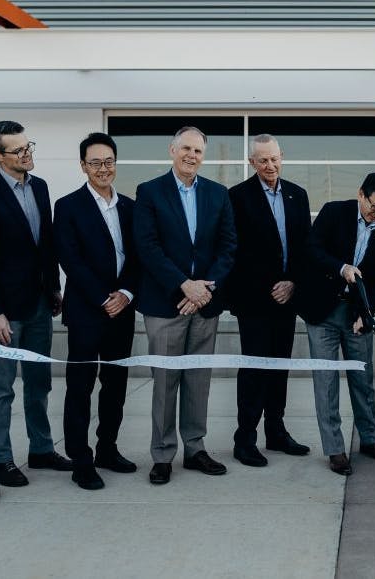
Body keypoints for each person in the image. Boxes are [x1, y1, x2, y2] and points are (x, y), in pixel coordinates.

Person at [0, 120, 71, 487]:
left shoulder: (39, 188)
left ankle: (41, 450)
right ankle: (2, 460)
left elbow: (45, 246)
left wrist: (54, 288)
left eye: (29, 147)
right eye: (19, 150)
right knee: (1, 388)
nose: (27, 154)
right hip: (4, 315)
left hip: (40, 305)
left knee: (39, 384)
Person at [134, 126, 237, 485]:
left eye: (198, 151)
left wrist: (204, 288)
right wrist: (184, 285)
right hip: (166, 304)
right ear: (172, 150)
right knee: (165, 382)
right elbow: (147, 246)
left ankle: (195, 448)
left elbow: (228, 247)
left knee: (198, 381)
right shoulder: (149, 192)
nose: (192, 155)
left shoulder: (218, 194)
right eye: (186, 149)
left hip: (205, 303)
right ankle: (162, 454)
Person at [54, 133, 140, 490]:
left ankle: (107, 448)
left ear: (115, 164)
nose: (103, 169)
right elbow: (70, 259)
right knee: (80, 387)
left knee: (116, 384)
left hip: (123, 309)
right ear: (83, 166)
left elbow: (139, 256)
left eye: (108, 162)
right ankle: (81, 459)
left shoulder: (130, 208)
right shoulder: (68, 205)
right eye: (95, 163)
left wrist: (125, 293)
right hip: (88, 311)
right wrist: (104, 297)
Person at [298, 172, 375, 476]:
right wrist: (341, 267)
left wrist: (365, 314)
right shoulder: (333, 212)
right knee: (326, 382)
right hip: (322, 312)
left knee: (363, 380)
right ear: (361, 194)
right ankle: (335, 450)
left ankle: (369, 439)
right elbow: (311, 250)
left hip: (356, 314)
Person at [226, 134, 312, 467]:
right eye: (262, 160)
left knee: (280, 369)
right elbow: (237, 254)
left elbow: (305, 247)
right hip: (254, 303)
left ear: (282, 157)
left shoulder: (297, 195)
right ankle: (245, 438)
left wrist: (292, 284)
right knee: (254, 372)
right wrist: (270, 287)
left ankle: (276, 432)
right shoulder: (236, 197)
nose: (270, 165)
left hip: (288, 300)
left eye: (274, 159)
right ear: (252, 162)